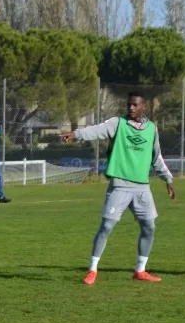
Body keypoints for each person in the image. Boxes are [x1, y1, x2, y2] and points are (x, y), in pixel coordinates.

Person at [62, 91, 177, 285]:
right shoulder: (118, 123)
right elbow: (96, 130)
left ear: (143, 107)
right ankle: (92, 270)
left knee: (149, 227)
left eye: (135, 105)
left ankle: (140, 270)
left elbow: (156, 157)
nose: (131, 108)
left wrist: (168, 179)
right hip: (120, 186)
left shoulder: (151, 129)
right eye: (129, 105)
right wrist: (76, 134)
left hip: (142, 188)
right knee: (106, 227)